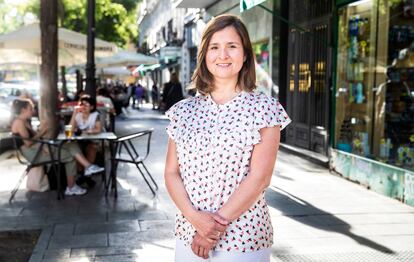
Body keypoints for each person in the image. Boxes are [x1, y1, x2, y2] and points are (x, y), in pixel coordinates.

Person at [164, 14, 291, 261]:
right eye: (214, 47)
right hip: (188, 236)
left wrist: (211, 230)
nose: (223, 55)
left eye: (232, 46)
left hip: (244, 238)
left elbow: (259, 178)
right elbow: (171, 173)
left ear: (245, 55)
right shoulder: (182, 112)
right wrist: (195, 219)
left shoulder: (265, 109)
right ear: (204, 55)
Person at [11, 98, 104, 196]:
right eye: (30, 109)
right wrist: (42, 133)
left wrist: (42, 137)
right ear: (23, 110)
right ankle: (72, 186)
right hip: (34, 154)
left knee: (71, 145)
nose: (33, 111)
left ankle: (87, 168)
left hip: (39, 149)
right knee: (70, 156)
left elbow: (35, 139)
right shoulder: (19, 122)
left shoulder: (24, 121)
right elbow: (28, 143)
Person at [69, 95, 103, 164]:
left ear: (92, 107)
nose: (83, 107)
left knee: (92, 148)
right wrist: (74, 113)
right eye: (82, 104)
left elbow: (98, 129)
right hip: (79, 141)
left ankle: (88, 170)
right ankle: (85, 169)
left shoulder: (95, 115)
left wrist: (86, 131)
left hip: (92, 140)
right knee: (76, 149)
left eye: (86, 105)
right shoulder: (78, 115)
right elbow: (70, 129)